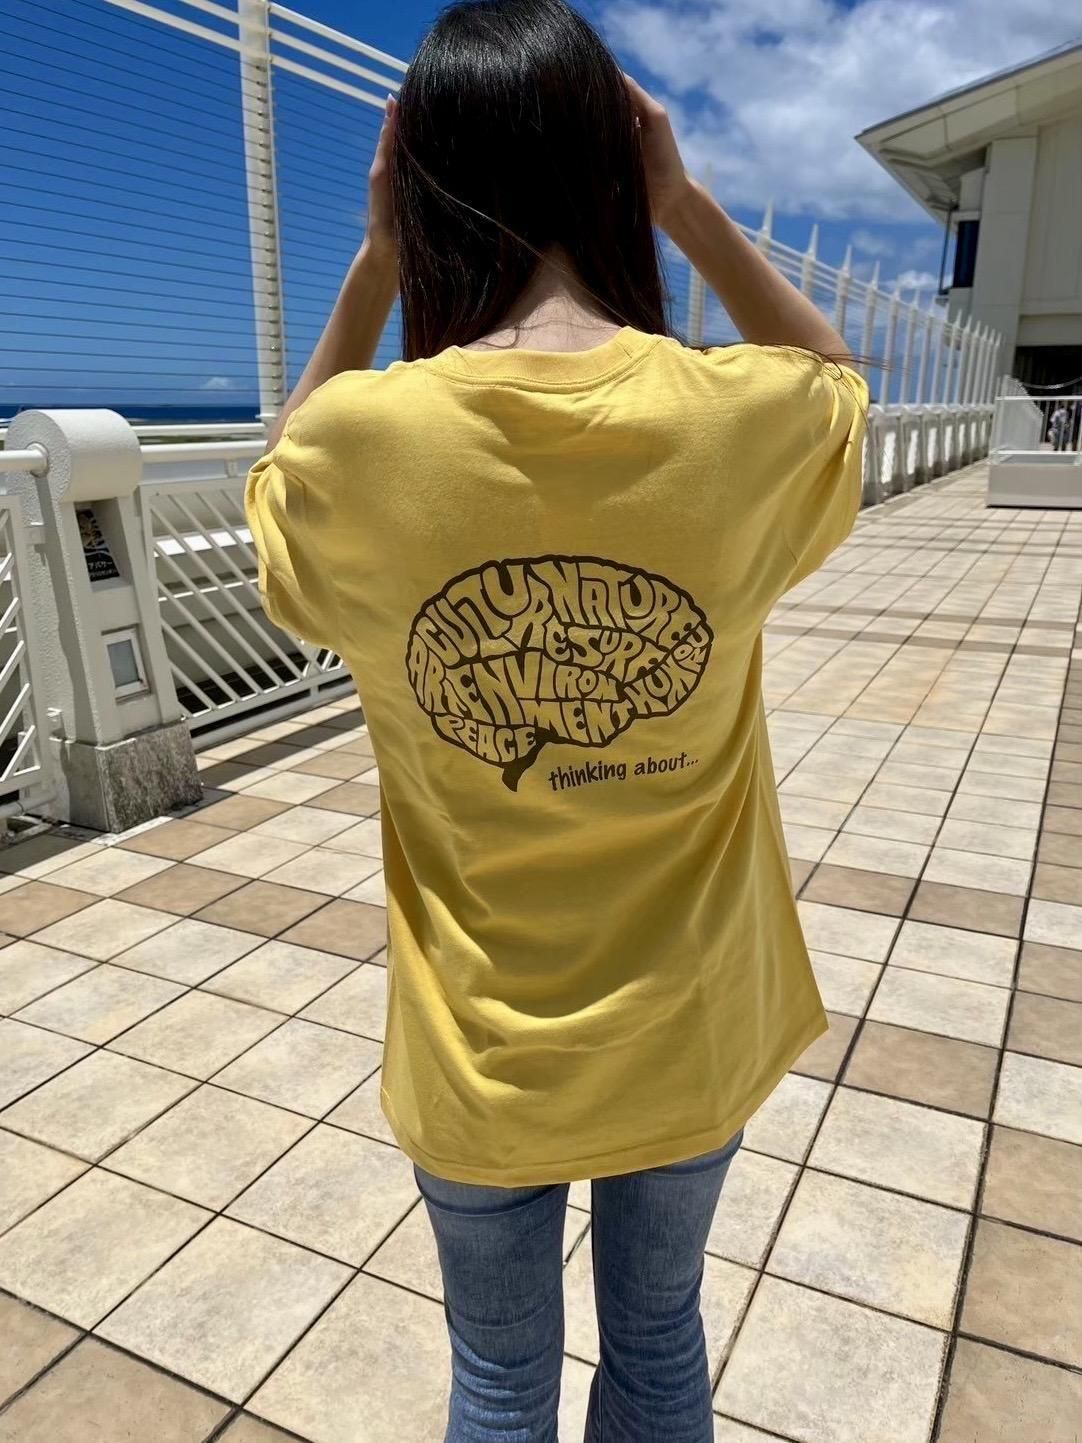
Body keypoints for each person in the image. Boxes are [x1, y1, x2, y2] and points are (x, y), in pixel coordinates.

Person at [245, 1, 867, 1437]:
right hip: (691, 1032)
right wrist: (685, 209)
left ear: (414, 180)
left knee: (497, 1383)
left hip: (480, 1058)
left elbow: (281, 478)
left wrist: (374, 263)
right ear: (617, 164)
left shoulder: (363, 444)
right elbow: (838, 381)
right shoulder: (736, 418)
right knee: (659, 1348)